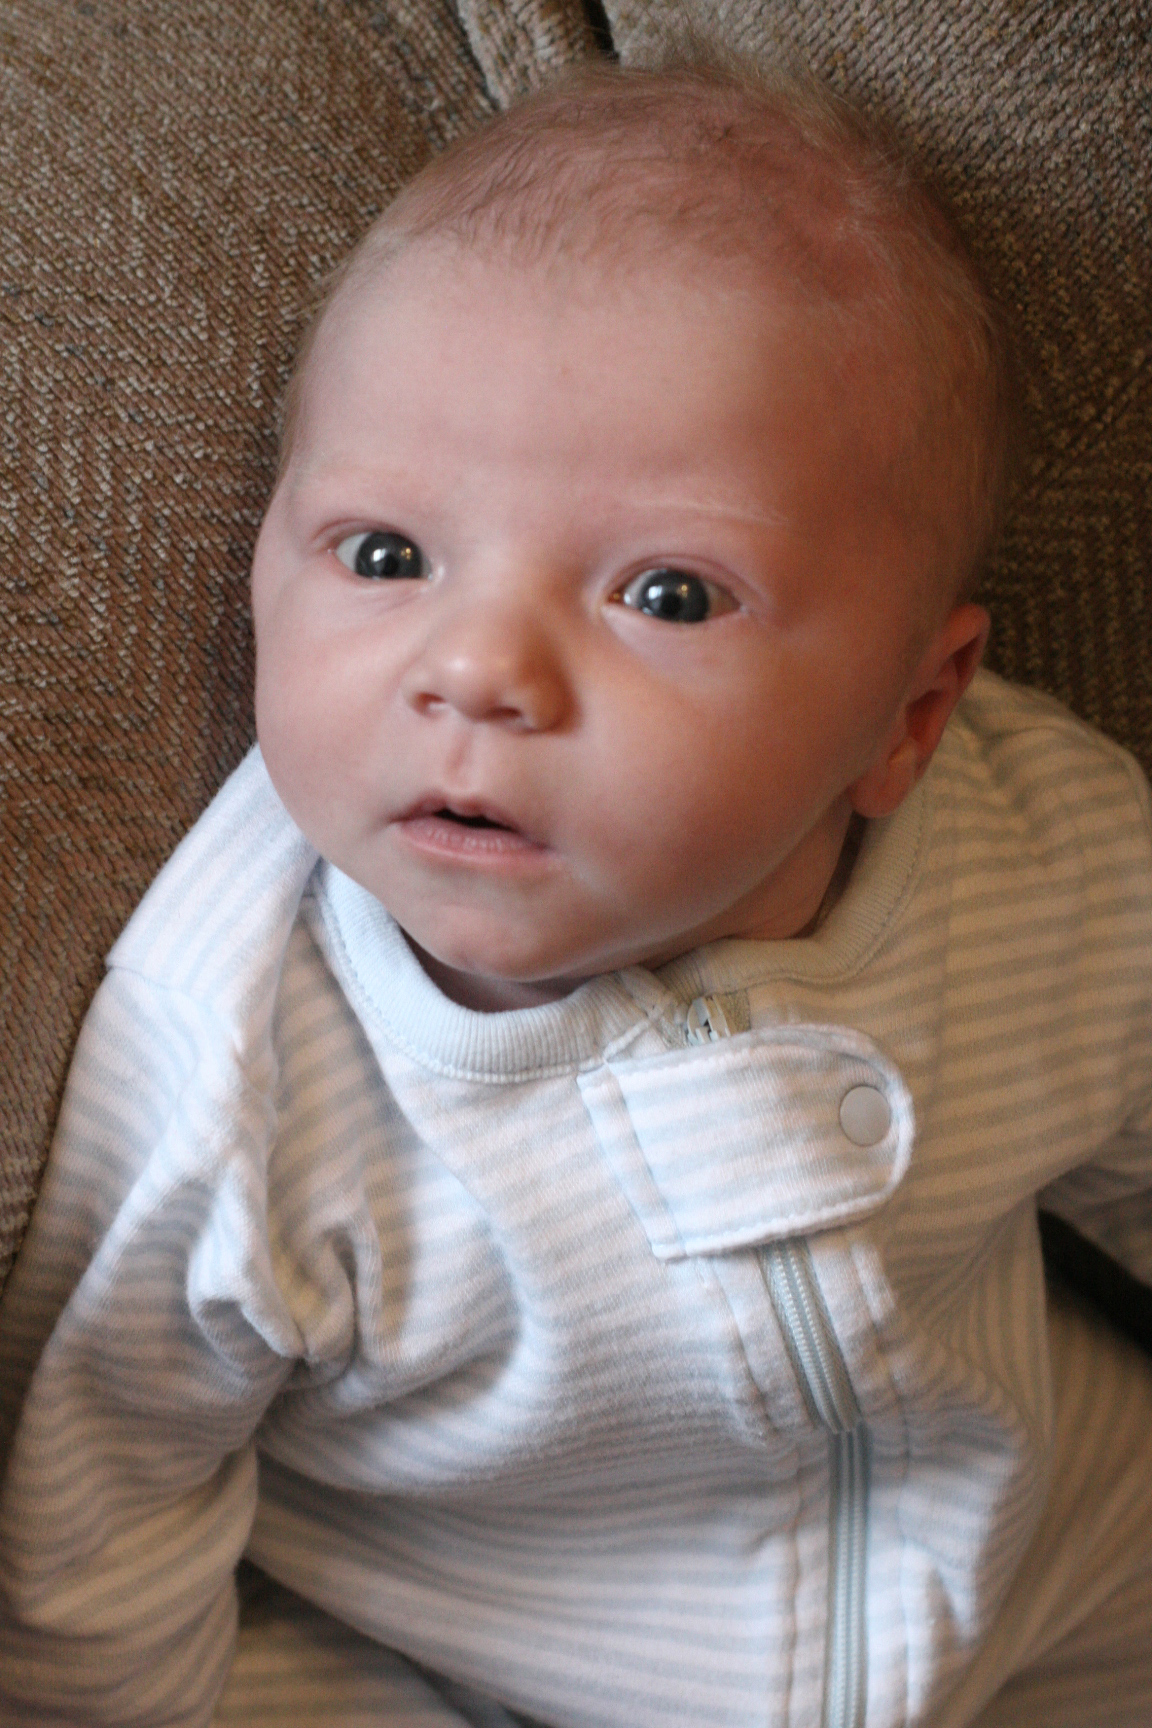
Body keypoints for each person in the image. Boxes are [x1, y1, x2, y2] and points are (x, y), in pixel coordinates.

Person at [1, 52, 1150, 1728]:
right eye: (386, 556)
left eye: (666, 593)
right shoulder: (236, 1052)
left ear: (909, 716)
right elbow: (101, 1530)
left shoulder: (1046, 857)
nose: (475, 668)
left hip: (1044, 1556)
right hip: (481, 1659)